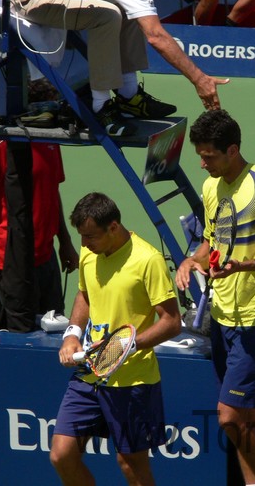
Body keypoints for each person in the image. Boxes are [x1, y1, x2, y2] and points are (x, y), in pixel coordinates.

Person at [14, 0, 228, 137]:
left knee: (132, 7)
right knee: (107, 15)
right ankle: (101, 107)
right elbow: (155, 36)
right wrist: (199, 80)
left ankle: (128, 95)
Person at [175, 110, 255, 486]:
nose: (202, 162)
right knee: (248, 420)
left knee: (229, 416)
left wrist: (245, 267)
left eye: (209, 155)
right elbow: (211, 241)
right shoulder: (212, 188)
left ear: (232, 150)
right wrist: (189, 260)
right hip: (222, 315)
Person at [52, 192, 181, 486]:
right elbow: (84, 293)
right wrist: (72, 335)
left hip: (131, 381)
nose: (83, 244)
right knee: (62, 455)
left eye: (90, 236)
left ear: (113, 227)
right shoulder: (90, 252)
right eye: (82, 237)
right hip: (89, 375)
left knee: (131, 464)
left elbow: (172, 322)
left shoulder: (148, 260)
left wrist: (120, 348)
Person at [0, 136, 78, 332]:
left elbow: (52, 191)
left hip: (46, 256)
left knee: (55, 331)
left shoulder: (50, 140)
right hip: (8, 264)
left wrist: (65, 241)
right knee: (16, 337)